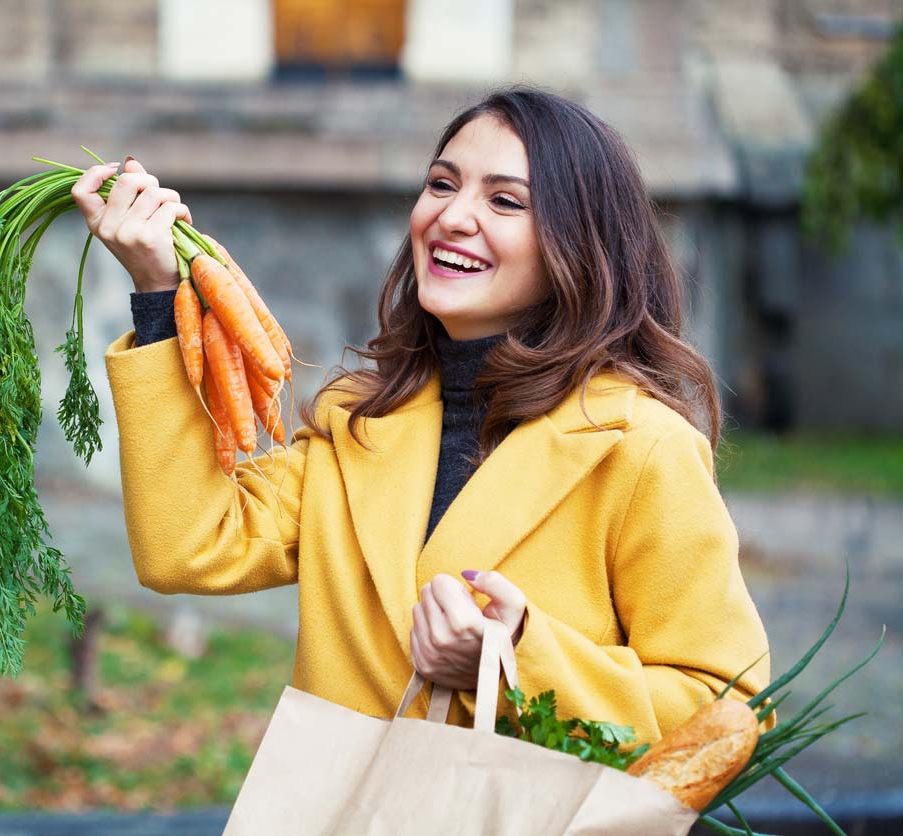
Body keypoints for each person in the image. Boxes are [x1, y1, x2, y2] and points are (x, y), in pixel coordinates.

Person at [71, 87, 771, 742]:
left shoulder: (640, 447)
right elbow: (189, 546)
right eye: (442, 184)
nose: (453, 215)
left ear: (580, 246)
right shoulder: (360, 423)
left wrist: (517, 659)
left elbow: (725, 708)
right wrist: (161, 294)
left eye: (505, 201)